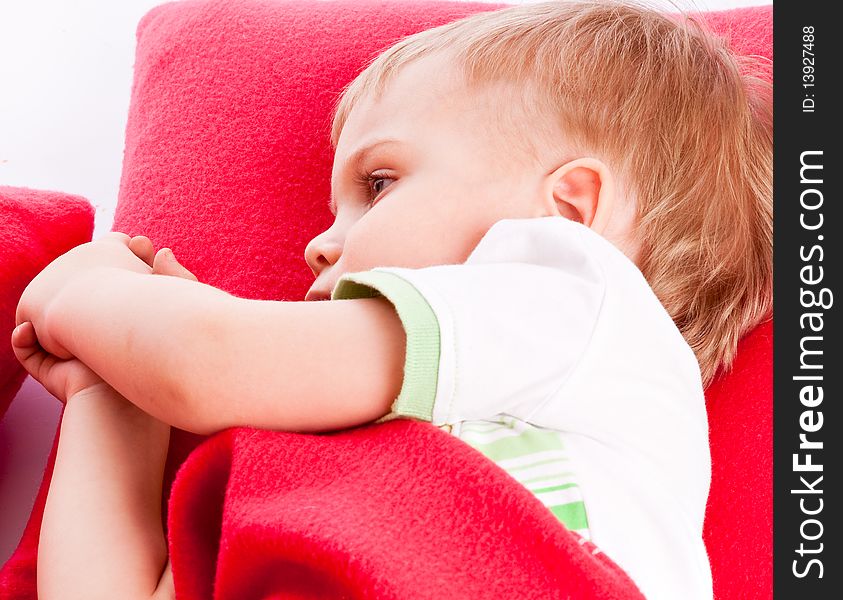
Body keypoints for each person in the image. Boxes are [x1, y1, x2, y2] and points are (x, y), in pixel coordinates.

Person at [12, 1, 772, 599]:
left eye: (378, 185)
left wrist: (92, 296)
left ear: (568, 211)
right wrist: (113, 397)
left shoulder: (576, 305)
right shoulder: (307, 452)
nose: (319, 244)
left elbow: (208, 359)